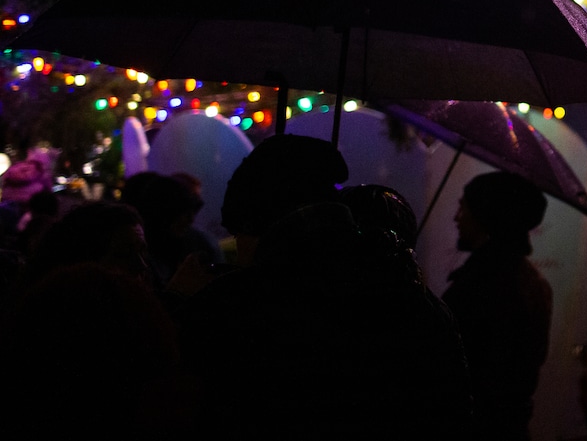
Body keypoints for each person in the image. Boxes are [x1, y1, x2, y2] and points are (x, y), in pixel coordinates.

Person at [176, 134, 471, 438]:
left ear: (256, 225)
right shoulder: (414, 296)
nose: (238, 250)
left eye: (238, 235)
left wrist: (182, 303)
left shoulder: (237, 308)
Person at [442, 171, 552, 441]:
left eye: (463, 207)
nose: (457, 217)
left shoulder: (484, 284)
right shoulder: (531, 281)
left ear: (486, 217)